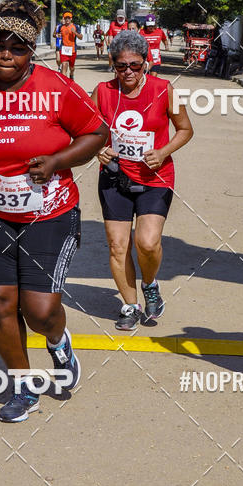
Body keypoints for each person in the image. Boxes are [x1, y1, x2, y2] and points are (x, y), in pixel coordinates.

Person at [0, 0, 108, 422]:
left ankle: (57, 341)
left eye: (17, 47)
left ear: (31, 51)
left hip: (48, 211)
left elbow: (96, 133)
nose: (6, 54)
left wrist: (56, 161)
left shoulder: (55, 87)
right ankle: (22, 386)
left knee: (40, 311)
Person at [93, 29, 193, 330]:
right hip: (115, 177)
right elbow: (85, 131)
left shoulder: (165, 90)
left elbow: (185, 129)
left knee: (147, 243)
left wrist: (162, 152)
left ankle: (150, 284)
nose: (128, 72)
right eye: (121, 65)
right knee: (117, 245)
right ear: (112, 63)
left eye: (135, 65)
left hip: (156, 176)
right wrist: (99, 147)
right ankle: (130, 304)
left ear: (145, 63)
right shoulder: (102, 91)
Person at [58, 11, 82, 81]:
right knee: (64, 65)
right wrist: (58, 35)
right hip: (64, 49)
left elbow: (81, 37)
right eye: (66, 18)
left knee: (71, 68)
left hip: (72, 50)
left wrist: (74, 32)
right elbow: (56, 35)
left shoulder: (75, 26)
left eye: (68, 18)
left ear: (71, 19)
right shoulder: (61, 26)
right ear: (64, 19)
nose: (67, 19)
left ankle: (71, 74)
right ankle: (64, 82)